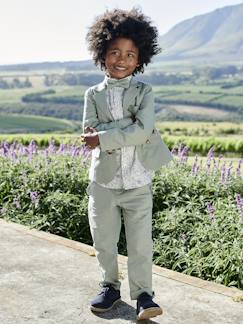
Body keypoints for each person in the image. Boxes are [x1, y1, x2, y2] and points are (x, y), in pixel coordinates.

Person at [81, 7, 173, 320]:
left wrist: (106, 137)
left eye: (130, 54)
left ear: (140, 59)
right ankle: (109, 287)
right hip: (103, 182)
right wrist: (127, 129)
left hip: (138, 181)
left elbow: (142, 131)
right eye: (115, 52)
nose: (122, 60)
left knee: (140, 243)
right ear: (102, 54)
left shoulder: (145, 92)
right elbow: (89, 131)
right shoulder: (92, 94)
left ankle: (145, 296)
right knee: (103, 240)